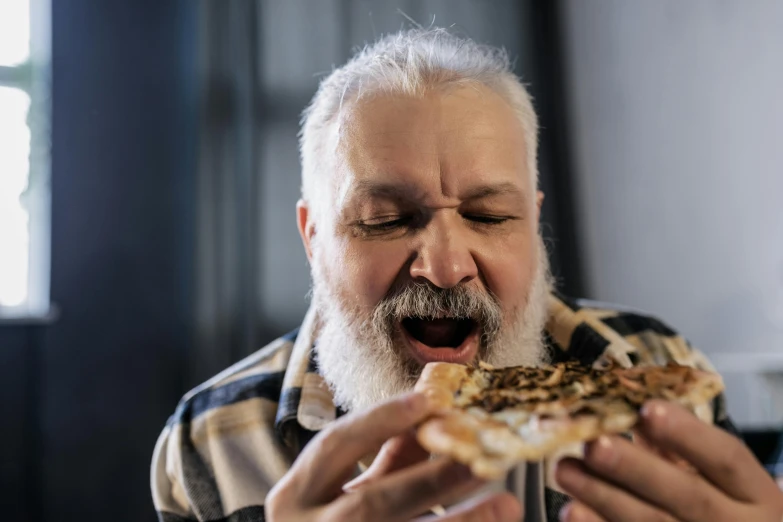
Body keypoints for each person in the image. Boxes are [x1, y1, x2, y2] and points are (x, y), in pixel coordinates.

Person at [151, 28, 783, 522]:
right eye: (386, 219)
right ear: (313, 236)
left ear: (533, 229)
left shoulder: (657, 370)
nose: (447, 268)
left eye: (488, 215)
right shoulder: (211, 441)